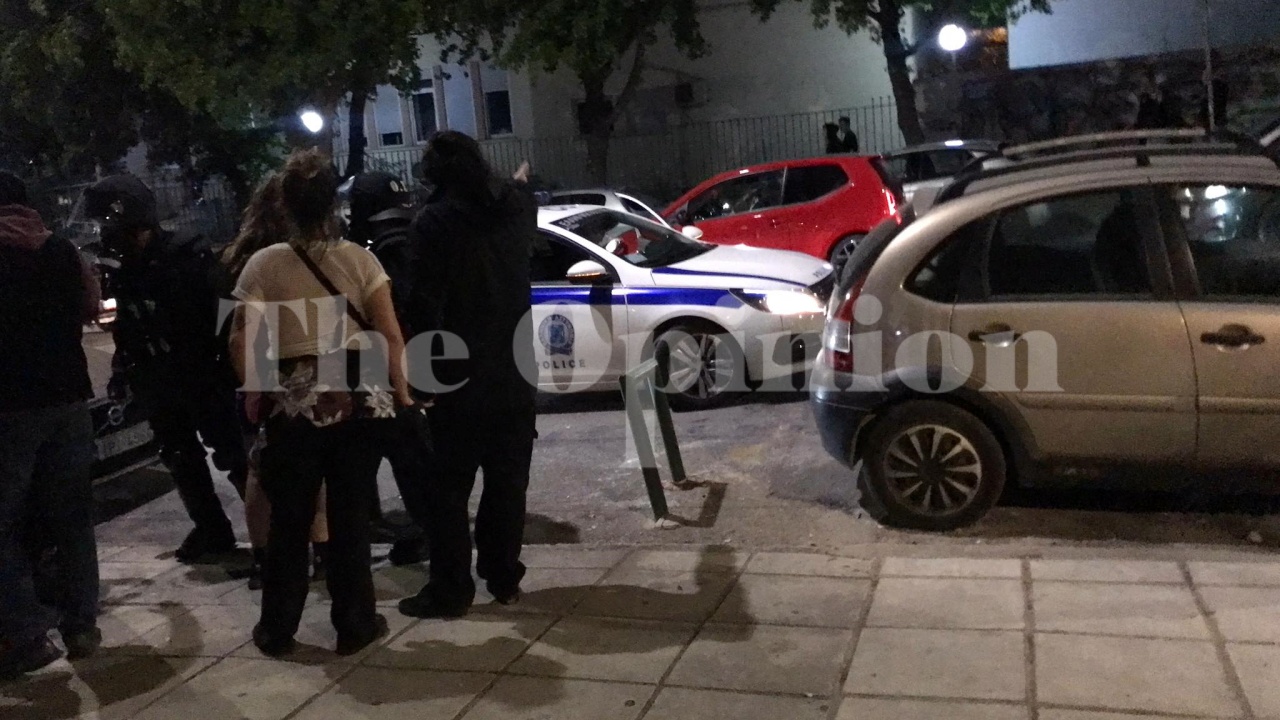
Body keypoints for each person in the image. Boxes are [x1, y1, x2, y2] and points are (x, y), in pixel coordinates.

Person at [229, 149, 413, 657]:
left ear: (283, 205)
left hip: (297, 400)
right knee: (350, 515)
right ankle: (355, 624)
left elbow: (242, 338)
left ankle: (277, 630)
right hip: (358, 394)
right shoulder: (360, 259)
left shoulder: (263, 264)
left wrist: (257, 389)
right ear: (333, 203)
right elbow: (390, 334)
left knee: (290, 518)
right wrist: (402, 391)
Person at [398, 131, 538, 618]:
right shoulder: (516, 210)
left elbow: (422, 304)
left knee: (448, 491)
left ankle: (451, 588)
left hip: (458, 378)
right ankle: (503, 575)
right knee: (507, 484)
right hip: (515, 369)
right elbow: (521, 192)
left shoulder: (434, 223)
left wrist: (421, 379)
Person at [83, 175, 247, 564]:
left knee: (234, 455)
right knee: (180, 456)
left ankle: (274, 538)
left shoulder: (187, 257)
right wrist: (123, 369)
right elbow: (129, 323)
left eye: (110, 225)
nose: (106, 235)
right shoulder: (126, 268)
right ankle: (212, 530)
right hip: (160, 379)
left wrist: (227, 369)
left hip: (204, 375)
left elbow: (226, 317)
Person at [0, 171, 102, 676]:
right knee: (72, 518)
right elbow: (91, 307)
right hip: (68, 398)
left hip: (10, 407)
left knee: (6, 524)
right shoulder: (61, 250)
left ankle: (27, 634)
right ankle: (82, 625)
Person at [218, 174, 330, 590]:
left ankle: (265, 560)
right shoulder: (310, 254)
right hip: (308, 368)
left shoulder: (240, 259)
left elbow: (230, 327)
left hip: (258, 371)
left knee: (260, 470)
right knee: (317, 468)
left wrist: (249, 381)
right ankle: (323, 552)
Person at [341, 172, 431, 565]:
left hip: (381, 368)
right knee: (409, 457)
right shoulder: (415, 237)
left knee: (392, 456)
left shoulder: (372, 250)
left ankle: (422, 533)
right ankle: (422, 529)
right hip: (415, 361)